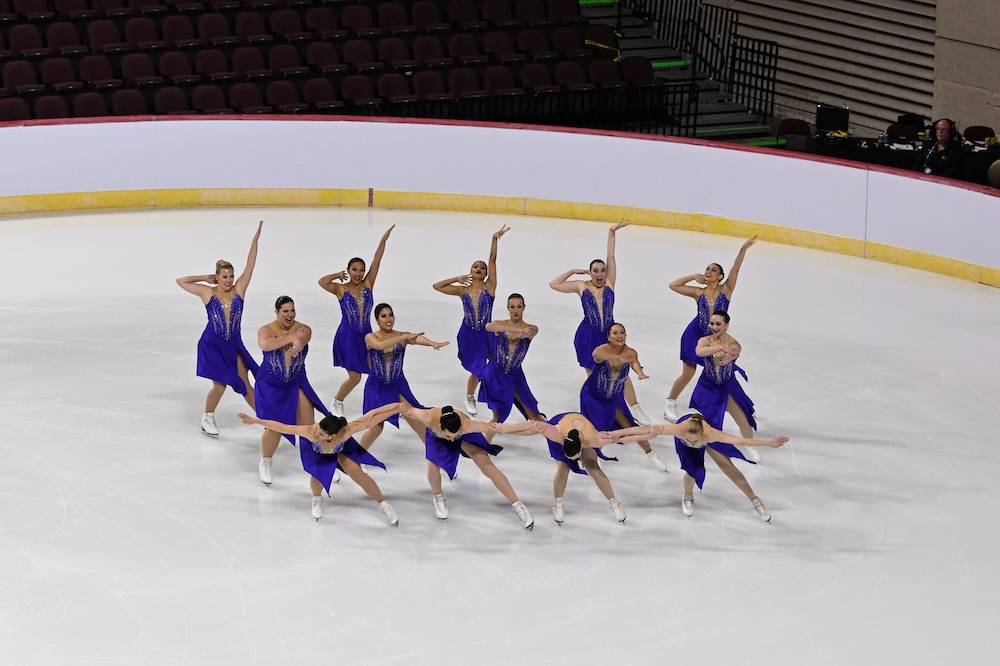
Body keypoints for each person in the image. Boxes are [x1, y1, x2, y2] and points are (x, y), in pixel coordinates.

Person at [548, 220, 651, 425]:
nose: (600, 274)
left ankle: (635, 408)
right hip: (587, 336)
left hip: (610, 334)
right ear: (590, 272)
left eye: (602, 270)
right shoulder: (581, 286)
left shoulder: (610, 283)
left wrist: (611, 232)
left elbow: (611, 256)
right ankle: (598, 410)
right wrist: (573, 271)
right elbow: (554, 284)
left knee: (622, 370)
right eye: (595, 270)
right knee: (596, 376)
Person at [238, 403, 402, 523]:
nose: (317, 433)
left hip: (340, 452)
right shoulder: (310, 432)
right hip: (318, 454)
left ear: (333, 435)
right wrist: (256, 421)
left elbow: (371, 418)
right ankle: (317, 498)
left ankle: (383, 504)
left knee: (359, 474)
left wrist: (397, 408)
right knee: (318, 478)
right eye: (319, 430)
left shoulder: (347, 431)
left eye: (322, 434)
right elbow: (282, 427)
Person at [176, 220, 263, 437]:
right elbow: (181, 281)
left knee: (245, 383)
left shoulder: (239, 290)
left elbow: (250, 265)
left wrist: (254, 241)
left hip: (233, 345)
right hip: (212, 344)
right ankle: (207, 417)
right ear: (217, 277)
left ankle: (264, 419)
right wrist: (204, 278)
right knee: (220, 385)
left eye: (231, 276)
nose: (229, 280)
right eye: (224, 277)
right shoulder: (208, 292)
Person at [613, 416, 788, 522]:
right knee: (692, 470)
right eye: (689, 439)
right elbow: (645, 429)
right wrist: (617, 434)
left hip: (706, 434)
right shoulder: (680, 431)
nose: (691, 442)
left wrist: (768, 443)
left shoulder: (711, 434)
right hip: (684, 438)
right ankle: (688, 496)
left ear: (702, 436)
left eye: (694, 441)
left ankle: (755, 500)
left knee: (729, 467)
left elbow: (741, 441)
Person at [664, 235, 757, 423]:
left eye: (713, 270)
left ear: (720, 276)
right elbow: (673, 285)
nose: (709, 271)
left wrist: (743, 250)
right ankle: (670, 403)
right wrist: (693, 276)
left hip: (716, 339)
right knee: (688, 372)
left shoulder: (726, 290)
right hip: (694, 335)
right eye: (707, 269)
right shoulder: (698, 292)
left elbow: (736, 268)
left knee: (725, 375)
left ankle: (744, 407)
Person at [401, 404, 537, 529]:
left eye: (455, 435)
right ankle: (438, 496)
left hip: (463, 436)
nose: (452, 440)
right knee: (432, 466)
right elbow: (405, 409)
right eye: (449, 436)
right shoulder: (428, 417)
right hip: (436, 438)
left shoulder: (467, 425)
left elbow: (496, 427)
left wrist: (517, 427)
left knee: (486, 464)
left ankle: (517, 504)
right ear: (441, 426)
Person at [318, 225, 395, 418]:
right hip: (347, 336)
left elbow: (377, 260)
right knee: (355, 376)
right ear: (349, 270)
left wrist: (383, 240)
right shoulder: (341, 289)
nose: (359, 273)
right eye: (354, 270)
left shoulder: (369, 283)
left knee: (378, 369)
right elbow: (322, 282)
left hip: (366, 335)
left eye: (361, 270)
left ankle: (389, 404)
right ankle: (337, 400)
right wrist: (336, 275)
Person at [432, 225, 510, 415]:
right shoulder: (462, 290)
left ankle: (500, 392)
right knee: (477, 368)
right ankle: (469, 396)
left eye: (482, 268)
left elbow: (492, 259)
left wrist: (494, 239)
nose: (479, 269)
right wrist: (456, 278)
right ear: (470, 270)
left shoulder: (490, 287)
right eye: (476, 266)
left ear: (485, 274)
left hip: (487, 333)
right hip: (468, 334)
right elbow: (437, 286)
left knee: (499, 363)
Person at [254, 295, 326, 488]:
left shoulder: (302, 328)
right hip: (271, 386)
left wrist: (298, 341)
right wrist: (289, 338)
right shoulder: (266, 330)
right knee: (275, 427)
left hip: (296, 382)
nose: (290, 315)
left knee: (310, 427)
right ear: (276, 312)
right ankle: (266, 460)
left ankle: (320, 463)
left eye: (292, 310)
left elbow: (304, 337)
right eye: (285, 311)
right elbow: (265, 344)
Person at [580, 323, 670, 473]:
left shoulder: (631, 353)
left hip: (612, 398)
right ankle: (593, 456)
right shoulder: (601, 350)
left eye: (622, 332)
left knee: (630, 427)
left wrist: (640, 373)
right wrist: (620, 357)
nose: (619, 335)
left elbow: (634, 362)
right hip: (593, 396)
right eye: (615, 333)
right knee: (598, 427)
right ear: (608, 337)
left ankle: (651, 454)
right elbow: (596, 356)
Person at [358, 303, 449, 450]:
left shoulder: (402, 335)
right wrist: (404, 337)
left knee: (413, 416)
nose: (388, 319)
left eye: (391, 315)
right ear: (377, 320)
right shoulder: (370, 337)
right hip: (377, 386)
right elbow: (381, 346)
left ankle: (436, 456)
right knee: (376, 427)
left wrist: (432, 343)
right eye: (383, 316)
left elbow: (416, 339)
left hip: (397, 384)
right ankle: (358, 456)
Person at [530, 413, 628, 524]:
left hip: (579, 429)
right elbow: (527, 428)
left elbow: (628, 436)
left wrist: (648, 432)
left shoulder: (591, 437)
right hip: (561, 428)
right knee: (563, 468)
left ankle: (613, 502)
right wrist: (507, 429)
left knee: (593, 466)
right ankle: (558, 502)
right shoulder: (555, 435)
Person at [477, 293, 545, 423]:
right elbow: (488, 326)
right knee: (498, 417)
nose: (515, 310)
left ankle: (556, 438)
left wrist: (521, 331)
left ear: (524, 307)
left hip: (515, 375)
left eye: (519, 307)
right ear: (508, 308)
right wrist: (514, 329)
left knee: (533, 414)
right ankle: (485, 442)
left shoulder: (530, 328)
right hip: (495, 373)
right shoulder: (500, 325)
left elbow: (530, 332)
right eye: (512, 307)